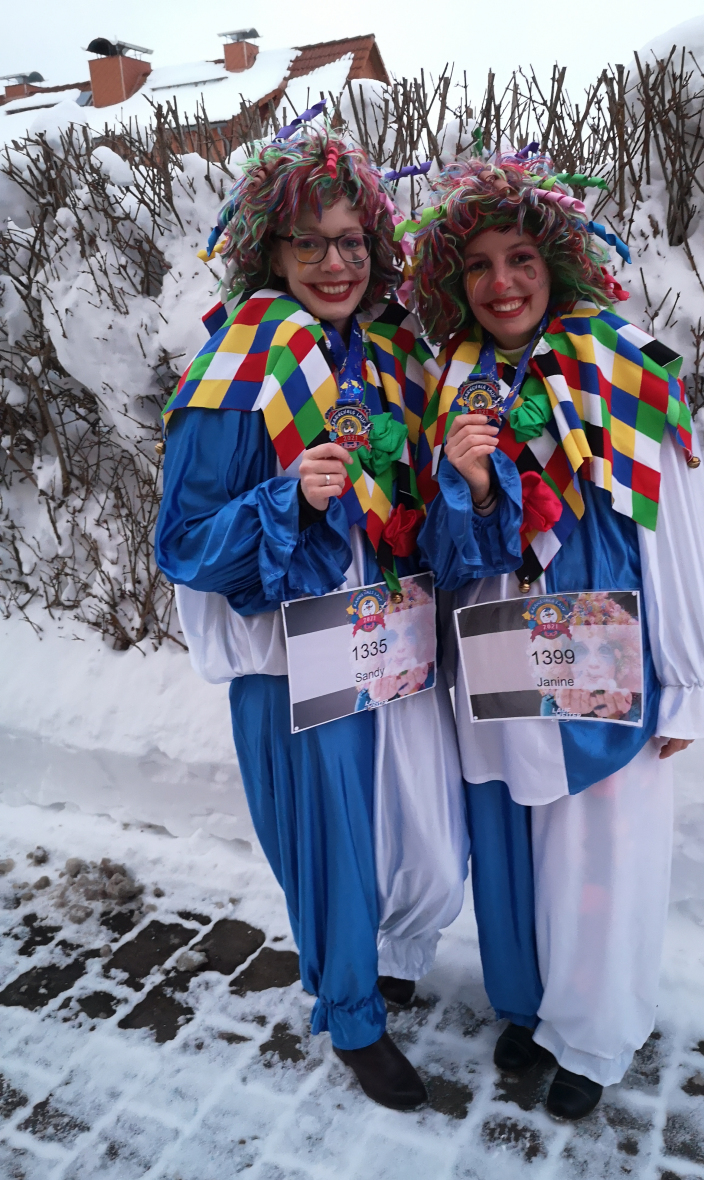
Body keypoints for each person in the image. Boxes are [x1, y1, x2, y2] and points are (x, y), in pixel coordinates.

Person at [409, 155, 704, 1120]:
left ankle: (593, 1034)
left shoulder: (623, 362)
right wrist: (473, 486)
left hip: (604, 649)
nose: (501, 283)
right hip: (496, 649)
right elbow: (447, 548)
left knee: (602, 848)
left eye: (519, 257)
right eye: (480, 265)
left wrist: (688, 675)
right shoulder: (457, 379)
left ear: (556, 261)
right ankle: (530, 1004)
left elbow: (677, 524)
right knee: (511, 844)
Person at [154, 128, 467, 1111]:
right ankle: (352, 1014)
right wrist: (287, 496)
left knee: (426, 835)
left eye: (352, 242)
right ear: (272, 253)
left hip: (392, 638)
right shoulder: (237, 370)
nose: (337, 263)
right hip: (295, 657)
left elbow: (418, 498)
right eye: (311, 243)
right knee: (331, 849)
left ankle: (391, 956)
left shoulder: (386, 356)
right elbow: (184, 540)